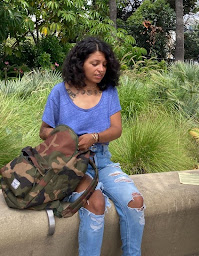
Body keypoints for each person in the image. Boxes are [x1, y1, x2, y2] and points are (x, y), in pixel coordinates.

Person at [40, 37, 144, 256]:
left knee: (135, 201)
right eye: (94, 63)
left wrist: (95, 137)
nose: (101, 69)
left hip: (103, 162)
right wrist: (71, 139)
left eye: (104, 65)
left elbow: (116, 129)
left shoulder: (108, 92)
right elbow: (44, 131)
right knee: (95, 202)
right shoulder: (60, 92)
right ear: (80, 64)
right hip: (71, 165)